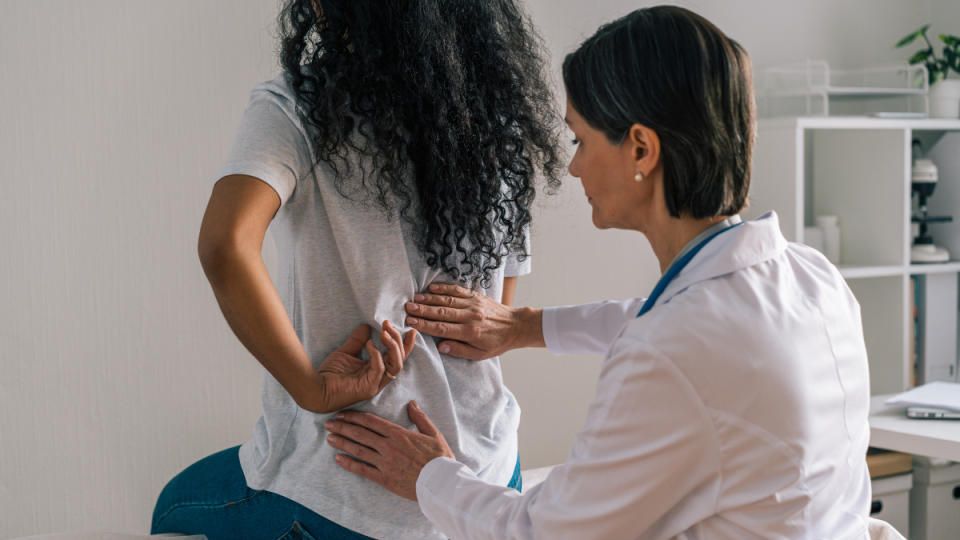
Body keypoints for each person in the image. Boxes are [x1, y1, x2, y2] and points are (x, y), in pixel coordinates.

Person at [323, 6, 873, 539]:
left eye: (580, 139)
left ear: (640, 149)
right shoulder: (811, 278)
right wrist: (525, 326)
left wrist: (428, 476)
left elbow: (547, 534)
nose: (572, 165)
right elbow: (671, 325)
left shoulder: (675, 349)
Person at [150, 0, 562, 538]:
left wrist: (310, 390)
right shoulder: (493, 115)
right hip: (486, 475)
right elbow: (493, 313)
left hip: (350, 496)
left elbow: (226, 244)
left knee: (173, 507)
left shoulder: (298, 107)